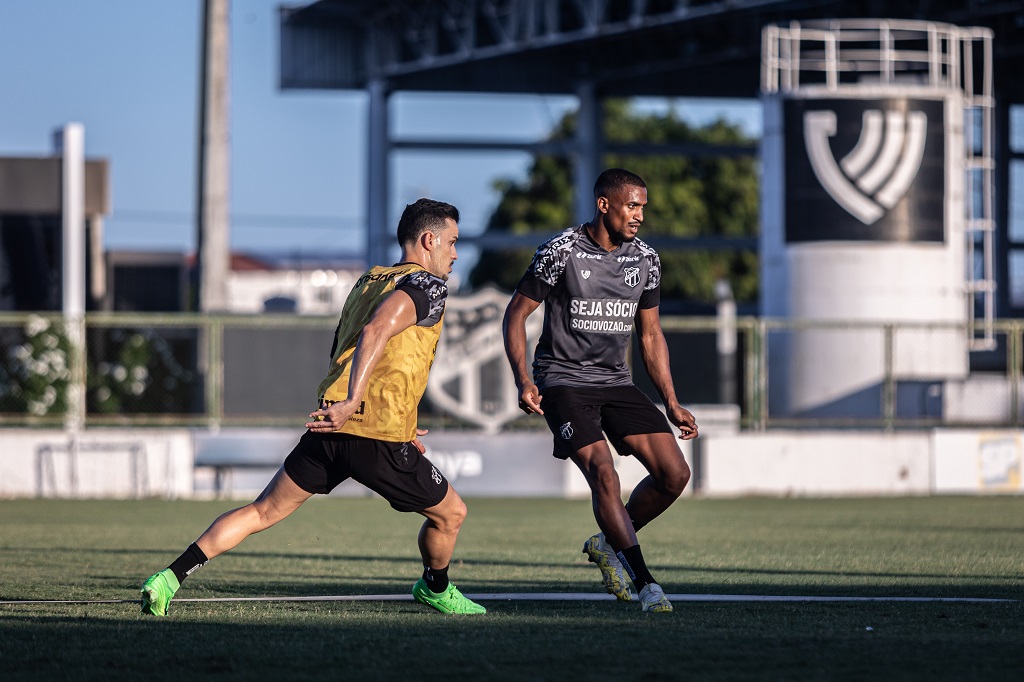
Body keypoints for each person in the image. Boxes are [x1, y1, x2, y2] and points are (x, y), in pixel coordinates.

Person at [140, 198, 486, 616]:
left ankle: (168, 578)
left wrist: (370, 411)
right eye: (451, 242)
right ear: (429, 240)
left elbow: (350, 347)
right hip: (371, 432)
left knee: (262, 510)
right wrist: (360, 403)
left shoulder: (369, 280)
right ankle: (435, 587)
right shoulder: (428, 285)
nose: (454, 253)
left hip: (331, 426)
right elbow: (378, 329)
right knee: (451, 514)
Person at [502, 168, 698, 613]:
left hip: (616, 382)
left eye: (643, 207)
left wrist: (670, 401)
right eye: (632, 205)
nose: (639, 215)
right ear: (604, 204)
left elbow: (650, 336)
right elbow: (515, 316)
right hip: (563, 380)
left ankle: (609, 541)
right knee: (603, 471)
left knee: (675, 475)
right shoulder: (561, 251)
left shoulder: (646, 259)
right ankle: (646, 583)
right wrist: (523, 378)